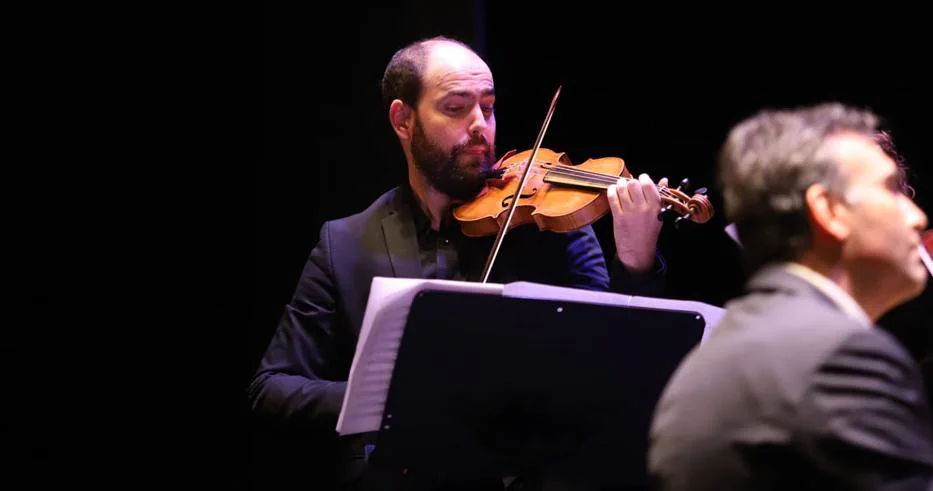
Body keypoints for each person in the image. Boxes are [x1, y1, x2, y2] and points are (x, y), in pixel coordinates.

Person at [248, 35, 671, 489]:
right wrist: (385, 398)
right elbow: (271, 386)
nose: (480, 127)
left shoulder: (547, 229)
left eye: (487, 108)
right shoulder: (346, 242)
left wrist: (636, 264)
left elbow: (618, 360)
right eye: (456, 108)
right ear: (403, 120)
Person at [647, 102, 933, 490]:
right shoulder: (844, 358)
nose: (917, 216)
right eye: (890, 190)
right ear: (828, 210)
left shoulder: (718, 348)